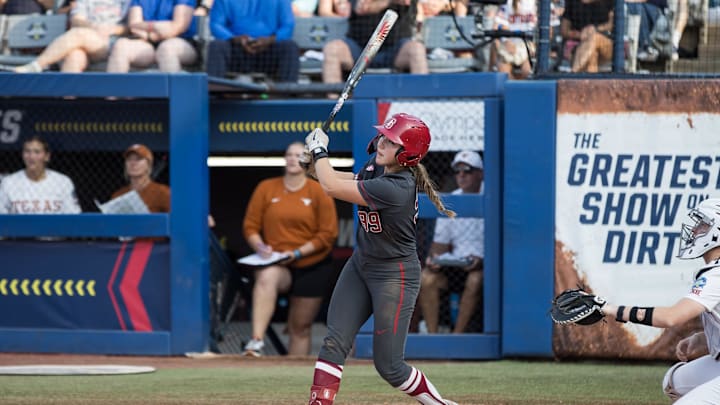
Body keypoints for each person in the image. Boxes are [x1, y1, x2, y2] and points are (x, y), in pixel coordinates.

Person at [303, 113, 458, 405]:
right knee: (334, 341)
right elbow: (337, 179)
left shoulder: (396, 187)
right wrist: (312, 163)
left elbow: (331, 188)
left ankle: (438, 404)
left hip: (394, 274)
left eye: (392, 141)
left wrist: (320, 150)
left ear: (407, 154)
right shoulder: (376, 169)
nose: (383, 143)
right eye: (384, 137)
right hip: (362, 265)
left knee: (390, 367)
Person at [594, 198, 720, 403]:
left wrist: (607, 308)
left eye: (703, 224)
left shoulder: (716, 274)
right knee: (674, 382)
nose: (695, 230)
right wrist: (703, 339)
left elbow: (671, 317)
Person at [242, 142, 338, 357]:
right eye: (289, 154)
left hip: (312, 263)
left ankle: (295, 376)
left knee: (300, 327)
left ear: (308, 161)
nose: (293, 158)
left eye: (298, 155)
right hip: (276, 261)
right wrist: (259, 245)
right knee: (266, 276)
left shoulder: (318, 190)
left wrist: (296, 253)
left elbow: (327, 234)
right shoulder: (266, 187)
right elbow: (250, 226)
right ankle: (256, 341)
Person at [418, 150, 484, 334]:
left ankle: (457, 336)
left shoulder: (492, 195)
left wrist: (481, 259)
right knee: (427, 278)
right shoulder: (452, 200)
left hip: (483, 266)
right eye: (458, 171)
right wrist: (434, 260)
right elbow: (438, 248)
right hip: (455, 266)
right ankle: (433, 336)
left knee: (475, 279)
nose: (461, 176)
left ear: (480, 173)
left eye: (467, 171)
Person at [322, 0, 428, 87]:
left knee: (416, 49)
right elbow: (361, 7)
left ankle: (422, 103)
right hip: (359, 48)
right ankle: (334, 104)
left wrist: (378, 3)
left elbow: (406, 1)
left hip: (394, 48)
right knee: (332, 49)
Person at [12, 0, 131, 73]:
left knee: (78, 33)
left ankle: (37, 65)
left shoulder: (128, 1)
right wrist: (93, 27)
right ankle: (69, 106)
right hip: (86, 38)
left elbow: (132, 26)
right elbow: (76, 21)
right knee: (74, 56)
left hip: (112, 43)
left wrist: (114, 29)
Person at [206, 0, 300, 83]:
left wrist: (270, 40)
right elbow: (216, 24)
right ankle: (213, 94)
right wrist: (234, 39)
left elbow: (288, 26)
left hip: (269, 51)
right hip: (236, 50)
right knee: (216, 46)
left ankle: (286, 94)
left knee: (290, 47)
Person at [106, 0, 198, 73]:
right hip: (147, 42)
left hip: (181, 43)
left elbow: (177, 27)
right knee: (121, 46)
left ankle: (175, 95)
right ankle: (113, 95)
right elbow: (134, 26)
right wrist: (155, 26)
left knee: (167, 49)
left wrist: (146, 27)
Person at [0, 136, 81, 214]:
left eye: (37, 152)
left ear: (47, 156)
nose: (31, 157)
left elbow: (73, 216)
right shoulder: (8, 182)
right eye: (27, 151)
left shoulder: (63, 182)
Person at [110, 144, 170, 212]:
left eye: (138, 159)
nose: (133, 163)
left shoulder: (163, 192)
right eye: (129, 159)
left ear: (148, 165)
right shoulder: (119, 195)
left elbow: (177, 219)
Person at [560, 0, 614, 72]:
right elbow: (564, 30)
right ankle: (589, 81)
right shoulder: (572, 3)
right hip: (581, 46)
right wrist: (580, 35)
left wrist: (595, 28)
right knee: (592, 56)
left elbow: (611, 24)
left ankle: (574, 72)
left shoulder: (608, 2)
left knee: (595, 37)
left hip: (607, 46)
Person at [490, 0, 536, 79]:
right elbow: (498, 26)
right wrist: (506, 41)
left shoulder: (533, 3)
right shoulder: (507, 3)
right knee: (503, 74)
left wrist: (533, 45)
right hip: (509, 45)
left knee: (528, 72)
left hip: (527, 45)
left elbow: (538, 28)